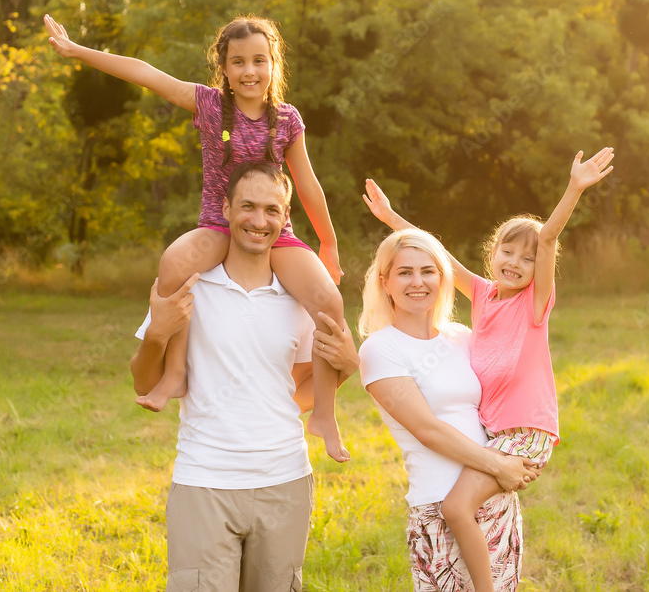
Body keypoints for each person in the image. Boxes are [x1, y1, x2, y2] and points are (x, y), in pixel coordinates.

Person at [45, 13, 349, 462]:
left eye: (259, 61)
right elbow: (146, 73)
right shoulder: (209, 106)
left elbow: (307, 184)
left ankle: (324, 412)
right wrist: (77, 51)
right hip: (218, 226)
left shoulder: (286, 119)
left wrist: (329, 243)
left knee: (330, 301)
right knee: (174, 264)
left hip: (274, 231)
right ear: (223, 68)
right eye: (239, 62)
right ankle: (174, 374)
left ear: (273, 65)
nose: (250, 71)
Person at [362, 147, 615, 592]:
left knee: (457, 509)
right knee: (458, 511)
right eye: (508, 252)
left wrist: (574, 188)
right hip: (498, 434)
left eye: (529, 258)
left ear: (542, 269)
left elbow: (551, 237)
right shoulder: (483, 296)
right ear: (492, 252)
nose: (516, 264)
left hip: (525, 430)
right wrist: (391, 219)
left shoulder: (534, 305)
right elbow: (438, 255)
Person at [130, 162, 351, 591]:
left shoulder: (299, 300)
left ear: (285, 218)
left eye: (272, 210)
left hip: (285, 481)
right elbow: (142, 382)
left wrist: (348, 368)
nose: (259, 220)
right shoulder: (191, 285)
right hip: (204, 481)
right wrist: (157, 333)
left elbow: (297, 394)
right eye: (248, 206)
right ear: (226, 209)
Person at [331, 228, 541, 591]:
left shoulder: (461, 336)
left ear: (442, 277)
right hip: (439, 505)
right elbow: (426, 429)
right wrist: (499, 464)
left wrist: (523, 447)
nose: (418, 282)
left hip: (493, 499)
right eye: (404, 272)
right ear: (385, 282)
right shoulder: (382, 349)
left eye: (428, 271)